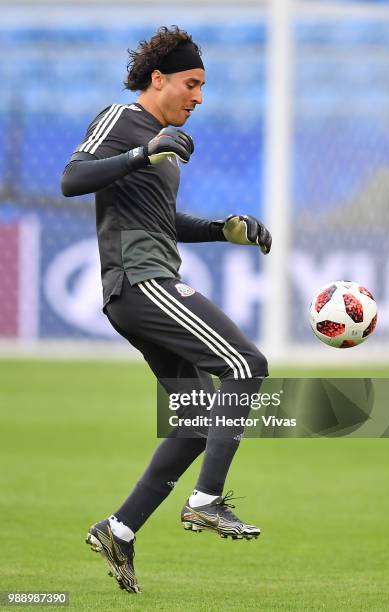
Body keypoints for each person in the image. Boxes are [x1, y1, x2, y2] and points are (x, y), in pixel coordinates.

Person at [61, 25, 271, 595]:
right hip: (138, 280)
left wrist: (222, 229)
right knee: (247, 365)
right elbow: (72, 179)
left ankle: (119, 527)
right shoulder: (122, 119)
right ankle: (205, 501)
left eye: (202, 87)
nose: (198, 97)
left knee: (198, 420)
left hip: (149, 280)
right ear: (159, 79)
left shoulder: (164, 144)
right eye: (191, 83)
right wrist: (142, 151)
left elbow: (161, 221)